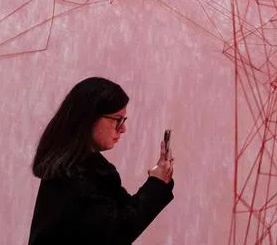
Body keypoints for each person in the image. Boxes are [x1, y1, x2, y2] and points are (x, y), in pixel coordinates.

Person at [28, 77, 174, 244]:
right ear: (90, 118)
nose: (123, 128)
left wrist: (158, 182)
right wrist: (156, 184)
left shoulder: (87, 168)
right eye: (117, 119)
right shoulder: (72, 176)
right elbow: (117, 231)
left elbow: (127, 214)